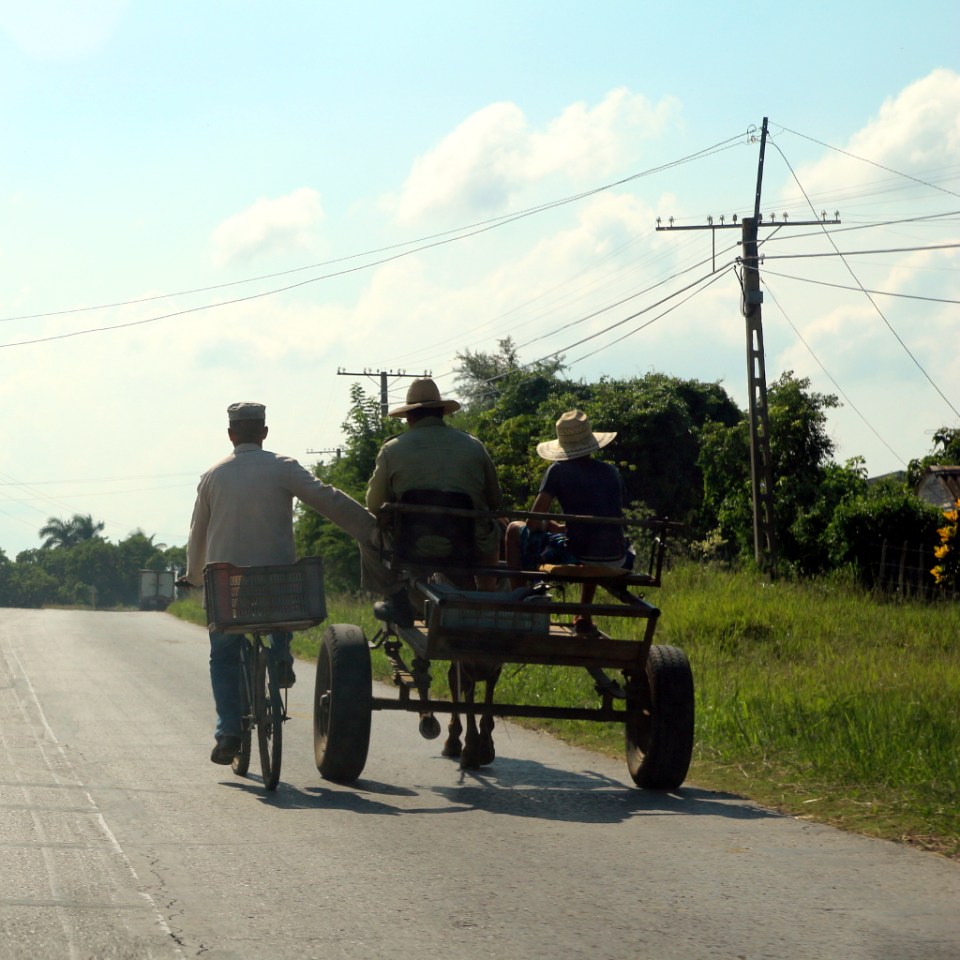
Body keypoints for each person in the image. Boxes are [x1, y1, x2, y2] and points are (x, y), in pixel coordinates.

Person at [182, 401, 388, 765]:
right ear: (264, 432)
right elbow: (328, 499)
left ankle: (229, 731)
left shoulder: (213, 476)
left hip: (229, 588)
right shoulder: (283, 468)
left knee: (224, 655)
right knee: (282, 603)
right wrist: (370, 529)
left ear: (231, 435)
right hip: (278, 585)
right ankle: (279, 657)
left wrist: (194, 575)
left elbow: (197, 534)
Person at [365, 377, 502, 621]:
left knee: (366, 528)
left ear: (410, 417)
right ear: (441, 413)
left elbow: (374, 505)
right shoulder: (473, 445)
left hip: (412, 543)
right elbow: (496, 502)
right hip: (468, 543)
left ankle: (395, 596)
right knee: (496, 526)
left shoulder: (392, 449)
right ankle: (487, 595)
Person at [505, 409, 630, 636]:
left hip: (580, 554)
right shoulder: (611, 471)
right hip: (616, 556)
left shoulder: (558, 470)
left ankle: (520, 603)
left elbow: (532, 523)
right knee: (589, 545)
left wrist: (549, 525)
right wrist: (559, 527)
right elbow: (605, 514)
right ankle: (583, 614)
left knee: (514, 529)